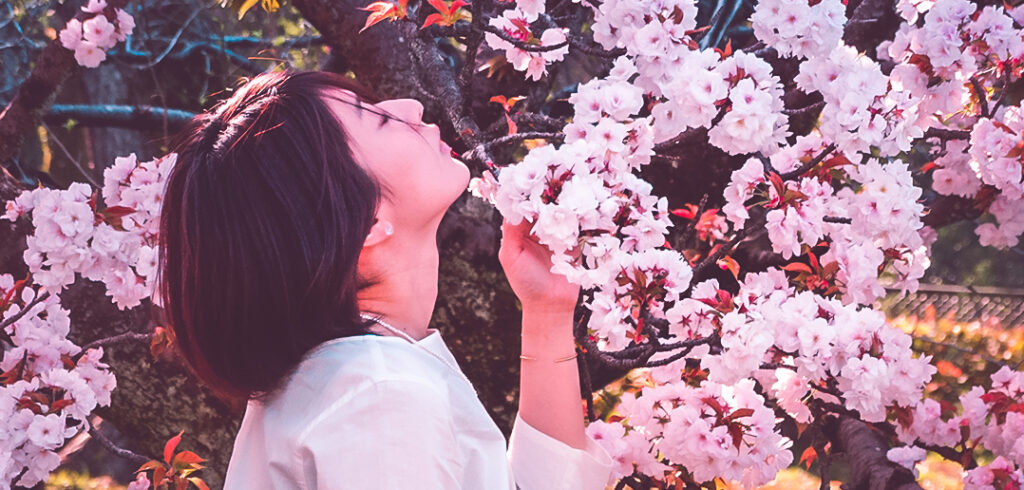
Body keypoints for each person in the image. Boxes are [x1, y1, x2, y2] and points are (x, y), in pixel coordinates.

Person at [156, 70, 613, 489]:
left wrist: (548, 313)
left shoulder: (353, 380)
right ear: (367, 221)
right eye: (376, 119)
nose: (411, 107)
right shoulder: (378, 395)